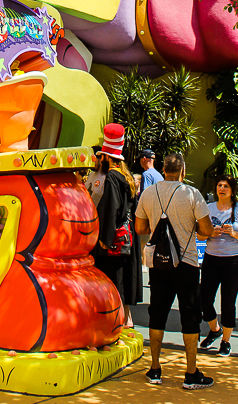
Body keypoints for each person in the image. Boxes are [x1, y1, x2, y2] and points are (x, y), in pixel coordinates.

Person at [135, 152, 214, 389]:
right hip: (187, 263)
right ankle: (191, 373)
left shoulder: (149, 192)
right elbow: (207, 230)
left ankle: (155, 369)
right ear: (182, 171)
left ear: (162, 169)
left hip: (159, 264)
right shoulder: (192, 194)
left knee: (157, 313)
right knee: (190, 316)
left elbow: (140, 227)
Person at [199, 175, 238, 356]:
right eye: (219, 185)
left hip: (234, 262)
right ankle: (215, 329)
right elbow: (199, 235)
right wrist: (210, 233)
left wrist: (235, 233)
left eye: (225, 186)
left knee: (228, 302)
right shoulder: (208, 208)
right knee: (204, 299)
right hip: (211, 259)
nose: (221, 189)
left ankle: (226, 341)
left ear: (232, 190)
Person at [95, 124, 142, 328]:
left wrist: (104, 240)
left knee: (112, 282)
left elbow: (109, 209)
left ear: (106, 156)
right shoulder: (127, 177)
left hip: (113, 239)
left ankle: (115, 323)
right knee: (122, 281)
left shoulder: (112, 177)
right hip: (127, 237)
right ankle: (125, 320)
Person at [138, 149, 164, 264]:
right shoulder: (159, 175)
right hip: (159, 218)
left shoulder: (146, 174)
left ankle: (144, 270)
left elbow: (145, 197)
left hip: (148, 218)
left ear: (143, 159)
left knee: (143, 246)